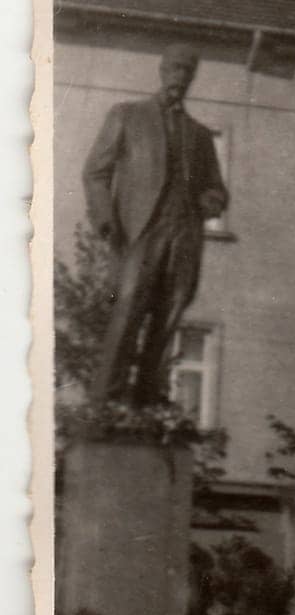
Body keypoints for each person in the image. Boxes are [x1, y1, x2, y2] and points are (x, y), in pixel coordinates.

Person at [82, 44, 228, 407]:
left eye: (187, 71)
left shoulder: (200, 135)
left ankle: (147, 402)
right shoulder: (128, 116)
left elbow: (215, 187)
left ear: (192, 78)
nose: (180, 75)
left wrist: (211, 199)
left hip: (184, 233)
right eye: (175, 67)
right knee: (128, 310)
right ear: (162, 70)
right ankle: (106, 402)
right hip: (140, 231)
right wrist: (105, 220)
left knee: (169, 315)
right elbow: (96, 172)